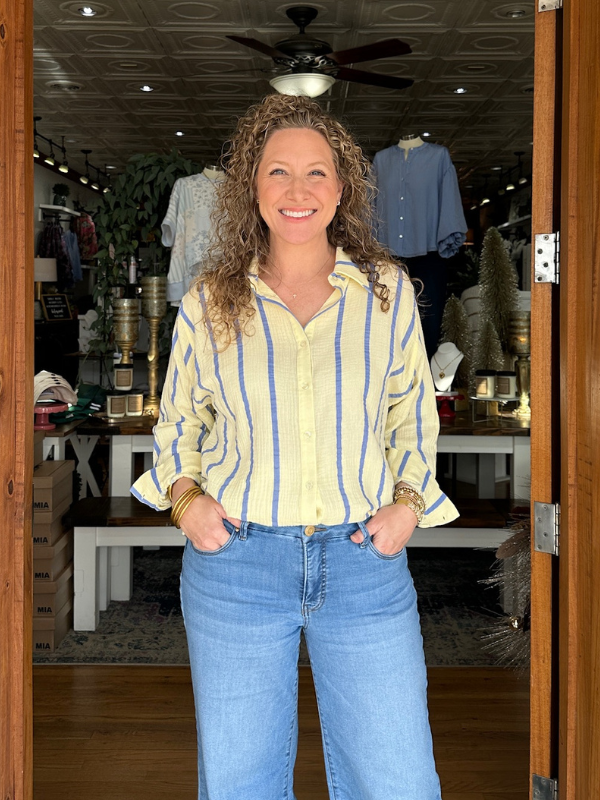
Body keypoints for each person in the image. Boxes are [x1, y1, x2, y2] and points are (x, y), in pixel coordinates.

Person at [131, 93, 459, 800]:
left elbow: (411, 413)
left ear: (343, 188)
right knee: (241, 783)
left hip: (364, 565)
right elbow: (178, 421)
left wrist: (408, 504)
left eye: (317, 173)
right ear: (252, 185)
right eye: (278, 171)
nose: (298, 190)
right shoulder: (210, 300)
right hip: (237, 569)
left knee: (396, 780)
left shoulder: (388, 294)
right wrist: (185, 500)